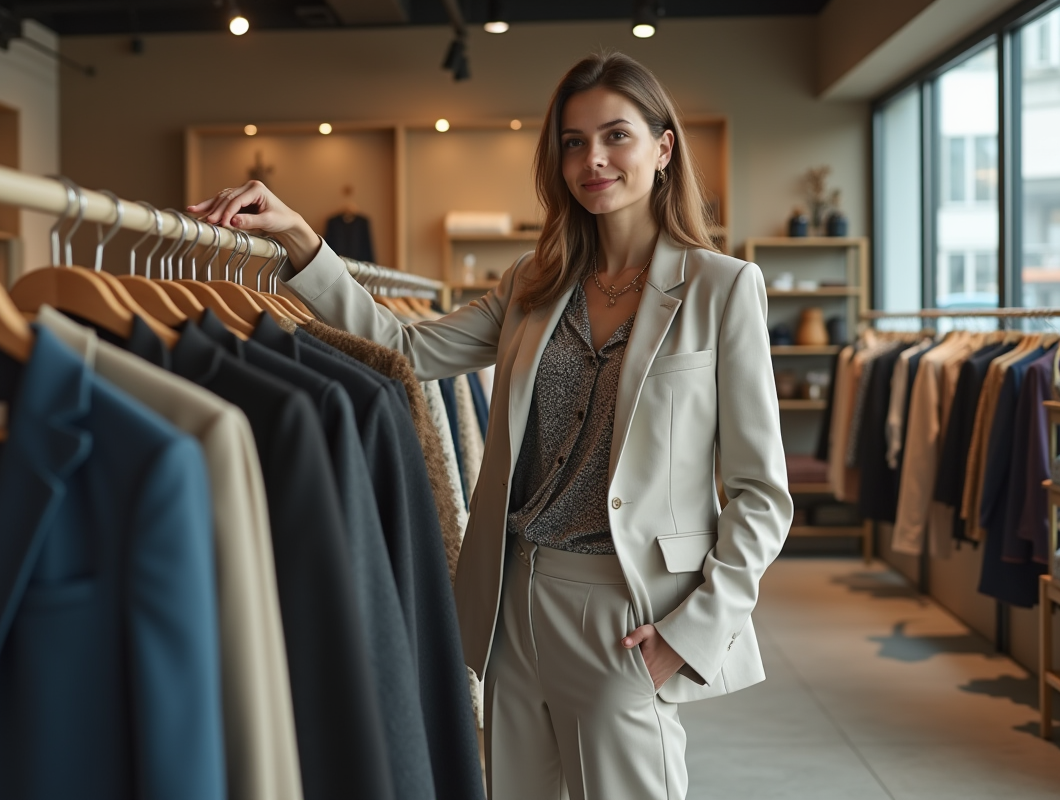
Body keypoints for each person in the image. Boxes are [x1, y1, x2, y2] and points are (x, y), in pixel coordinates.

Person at [188, 51, 792, 800]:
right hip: (515, 600)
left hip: (629, 611)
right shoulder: (534, 285)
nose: (593, 159)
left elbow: (761, 494)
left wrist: (689, 634)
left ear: (663, 148)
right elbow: (402, 347)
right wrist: (301, 240)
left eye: (616, 136)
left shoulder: (722, 288)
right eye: (573, 142)